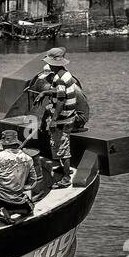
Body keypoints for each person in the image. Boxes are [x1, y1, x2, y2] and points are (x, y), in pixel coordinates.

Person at [36, 46, 78, 187]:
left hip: (62, 119)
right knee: (60, 145)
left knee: (62, 147)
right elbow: (60, 92)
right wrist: (45, 93)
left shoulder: (59, 78)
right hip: (69, 116)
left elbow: (61, 100)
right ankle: (62, 167)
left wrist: (53, 120)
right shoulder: (65, 73)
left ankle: (66, 179)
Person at [0, 128, 37, 218]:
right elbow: (33, 181)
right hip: (15, 199)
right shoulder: (28, 159)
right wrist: (21, 187)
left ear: (4, 144)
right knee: (30, 208)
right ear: (16, 143)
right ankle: (10, 211)